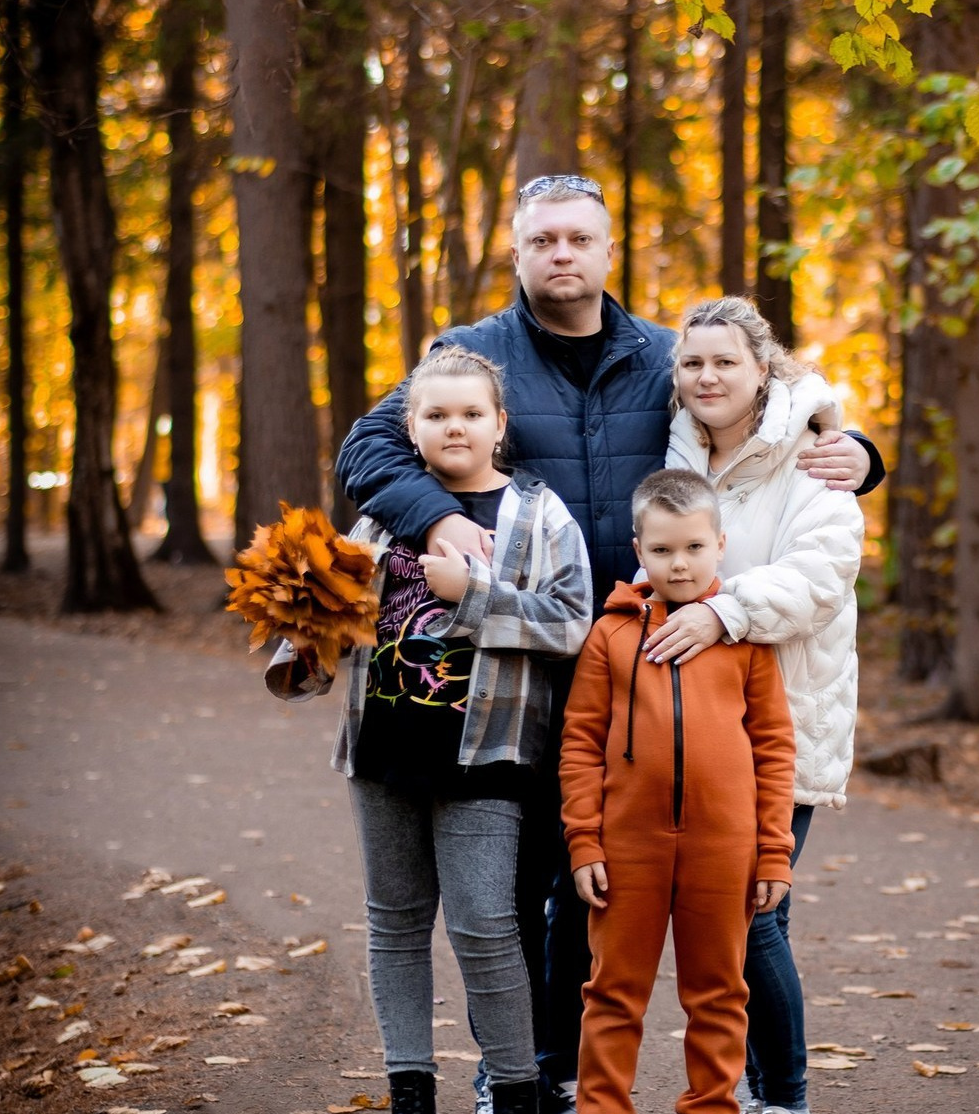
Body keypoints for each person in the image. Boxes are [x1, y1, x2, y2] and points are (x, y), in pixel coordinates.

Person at [334, 174, 884, 1112]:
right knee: (517, 896)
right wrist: (432, 519)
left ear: (606, 251)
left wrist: (861, 451)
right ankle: (527, 1079)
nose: (561, 254)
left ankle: (761, 1093)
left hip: (654, 677)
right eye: (543, 239)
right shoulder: (469, 354)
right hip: (514, 674)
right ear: (517, 252)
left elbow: (784, 399)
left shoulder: (663, 357)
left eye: (578, 239)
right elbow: (367, 451)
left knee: (652, 905)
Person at [268, 347, 593, 1114]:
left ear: (499, 424)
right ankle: (410, 1086)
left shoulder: (539, 515)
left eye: (472, 414)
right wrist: (300, 638)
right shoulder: (380, 517)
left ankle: (517, 1090)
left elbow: (571, 624)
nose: (456, 427)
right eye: (437, 414)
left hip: (487, 757)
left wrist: (474, 596)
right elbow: (338, 623)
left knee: (485, 922)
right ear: (410, 429)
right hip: (382, 753)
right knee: (396, 923)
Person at [642, 296, 864, 1114]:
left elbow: (821, 573)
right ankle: (764, 1090)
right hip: (694, 727)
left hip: (786, 720)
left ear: (762, 368)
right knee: (759, 911)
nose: (707, 376)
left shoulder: (817, 459)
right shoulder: (675, 454)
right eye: (692, 362)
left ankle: (786, 1097)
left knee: (747, 908)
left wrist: (719, 608)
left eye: (725, 361)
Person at [560, 468, 797, 1114]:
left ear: (720, 544)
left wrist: (773, 850)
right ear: (639, 551)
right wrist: (585, 843)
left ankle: (712, 1105)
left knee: (719, 992)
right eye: (662, 550)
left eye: (695, 547)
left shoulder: (743, 640)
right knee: (612, 992)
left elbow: (775, 749)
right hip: (627, 848)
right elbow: (581, 743)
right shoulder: (609, 635)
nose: (680, 563)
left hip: (724, 849)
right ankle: (603, 1106)